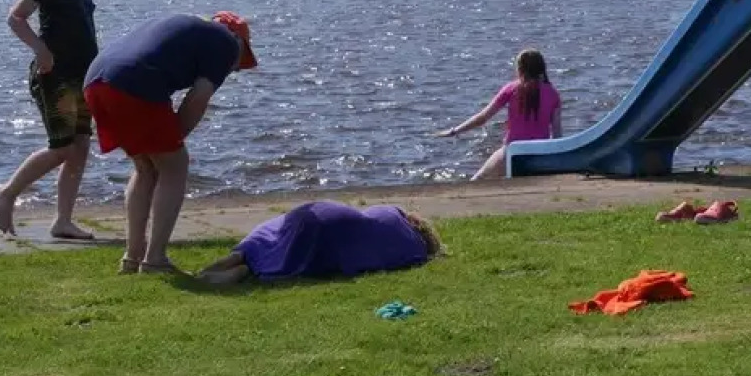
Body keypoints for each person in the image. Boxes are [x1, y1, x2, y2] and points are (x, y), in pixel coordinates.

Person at [83, 11, 258, 274]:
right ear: (240, 40)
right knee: (174, 166)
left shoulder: (190, 30)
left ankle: (132, 257)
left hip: (97, 80)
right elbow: (199, 97)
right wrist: (175, 139)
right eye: (239, 62)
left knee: (145, 167)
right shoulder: (226, 43)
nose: (234, 69)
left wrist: (168, 140)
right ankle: (155, 260)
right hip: (134, 81)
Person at [0, 0, 103, 239]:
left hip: (83, 77)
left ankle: (63, 221)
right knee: (63, 149)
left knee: (81, 147)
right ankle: (8, 192)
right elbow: (16, 17)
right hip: (54, 77)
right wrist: (40, 50)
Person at [196, 201, 442, 287]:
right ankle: (242, 271)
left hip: (319, 208)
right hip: (333, 229)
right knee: (279, 263)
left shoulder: (391, 212)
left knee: (268, 240)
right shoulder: (412, 248)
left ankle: (235, 257)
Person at [437, 49, 561, 181]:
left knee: (476, 180)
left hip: (513, 153)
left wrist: (454, 131)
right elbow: (557, 133)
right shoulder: (553, 94)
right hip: (539, 154)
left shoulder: (511, 89)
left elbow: (483, 117)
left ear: (520, 69)